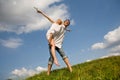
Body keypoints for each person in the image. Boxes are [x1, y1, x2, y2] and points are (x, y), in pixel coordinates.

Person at [35, 7, 72, 75]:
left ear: (68, 25)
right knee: (51, 58)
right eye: (66, 21)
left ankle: (70, 69)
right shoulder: (58, 25)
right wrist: (41, 12)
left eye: (68, 23)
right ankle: (48, 72)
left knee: (64, 55)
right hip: (51, 40)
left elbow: (63, 27)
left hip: (59, 44)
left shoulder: (64, 27)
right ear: (63, 22)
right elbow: (48, 18)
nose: (67, 22)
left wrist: (67, 29)